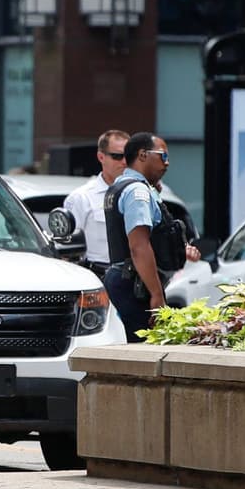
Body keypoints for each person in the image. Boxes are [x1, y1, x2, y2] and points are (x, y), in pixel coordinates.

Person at [102, 132, 197, 341]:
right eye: (163, 156)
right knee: (142, 351)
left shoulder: (120, 186)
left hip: (126, 279)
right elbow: (139, 246)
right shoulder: (137, 192)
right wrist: (156, 294)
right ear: (143, 155)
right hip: (135, 285)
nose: (168, 163)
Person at [61, 129, 129, 279]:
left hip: (134, 279)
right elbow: (68, 251)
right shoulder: (82, 197)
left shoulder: (138, 193)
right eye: (117, 156)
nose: (124, 162)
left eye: (128, 156)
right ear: (101, 157)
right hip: (98, 277)